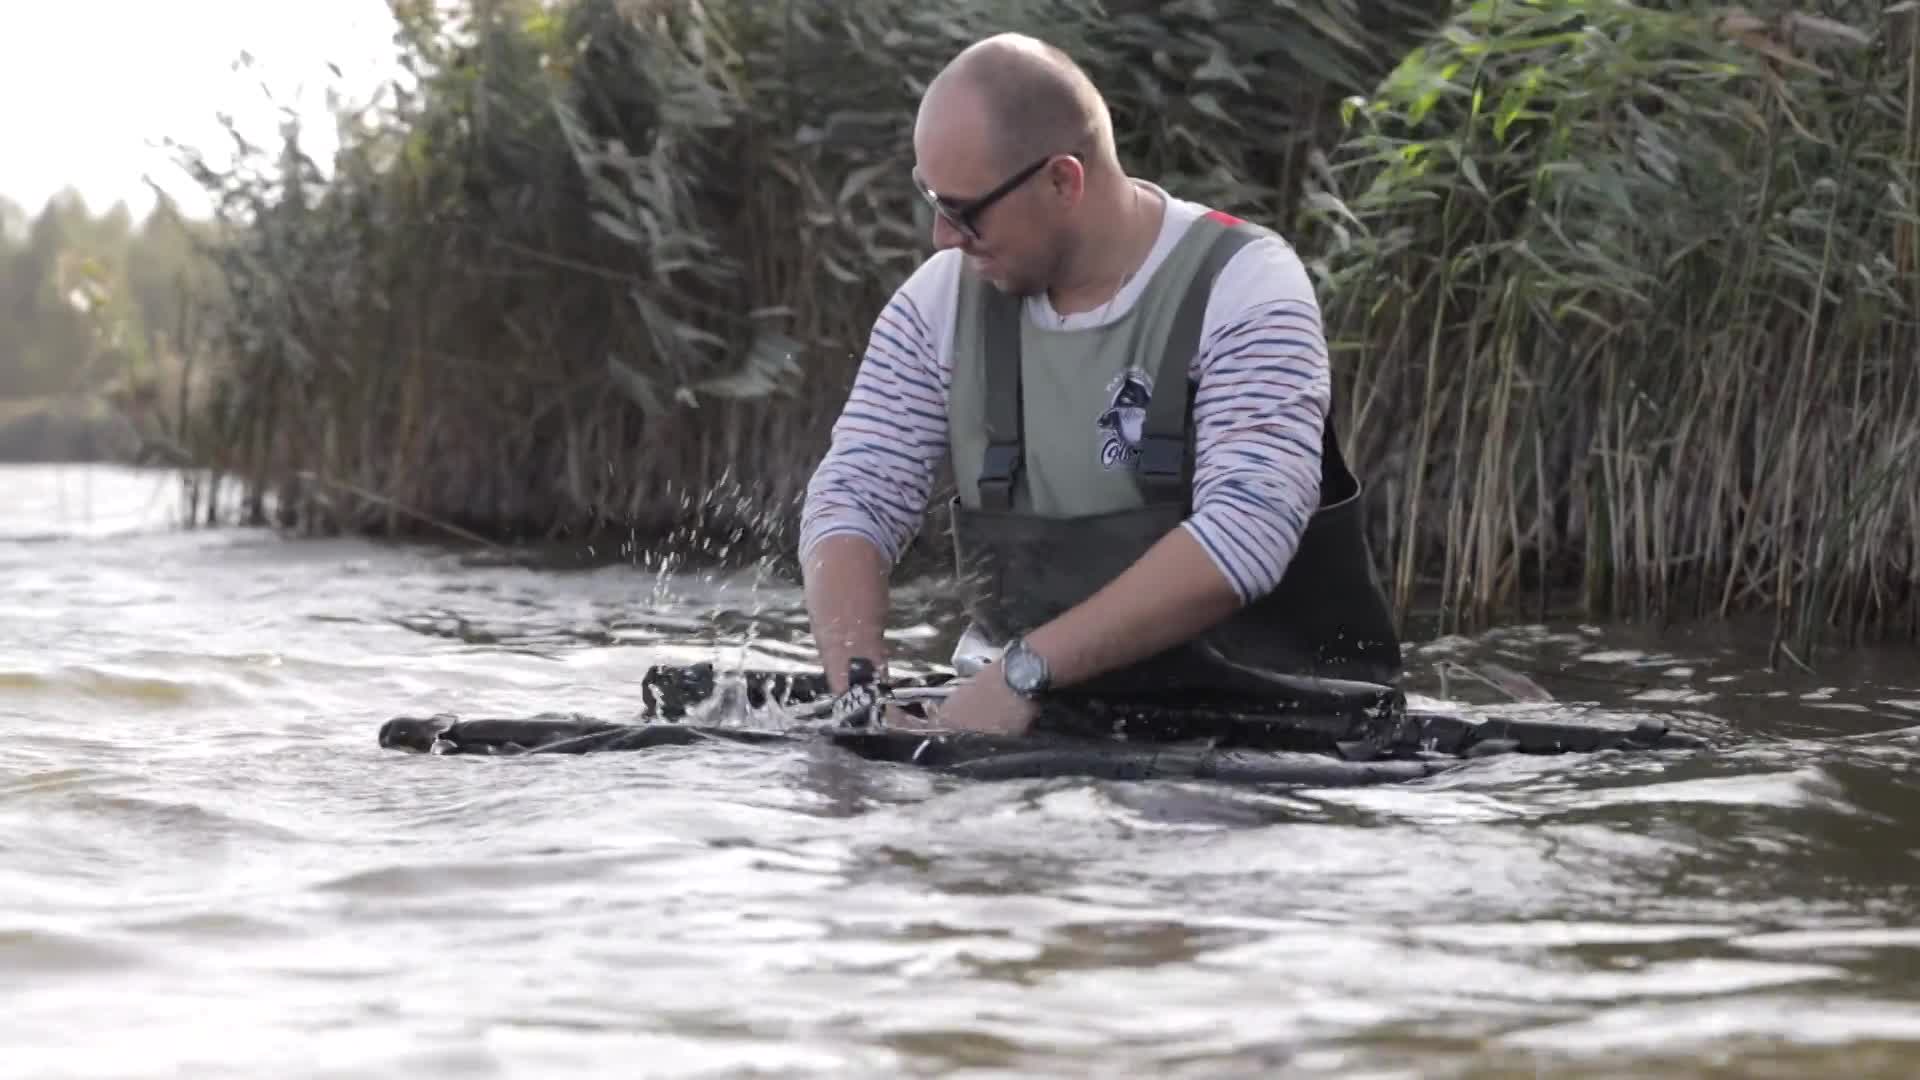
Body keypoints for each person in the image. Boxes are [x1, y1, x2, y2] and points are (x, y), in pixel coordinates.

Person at [797, 33, 1401, 736]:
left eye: (964, 212)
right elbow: (853, 498)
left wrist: (1025, 670)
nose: (941, 236)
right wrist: (861, 697)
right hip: (1032, 725)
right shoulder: (938, 304)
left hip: (1279, 727)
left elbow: (1248, 529)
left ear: (1063, 181)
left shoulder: (1247, 286)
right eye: (931, 200)